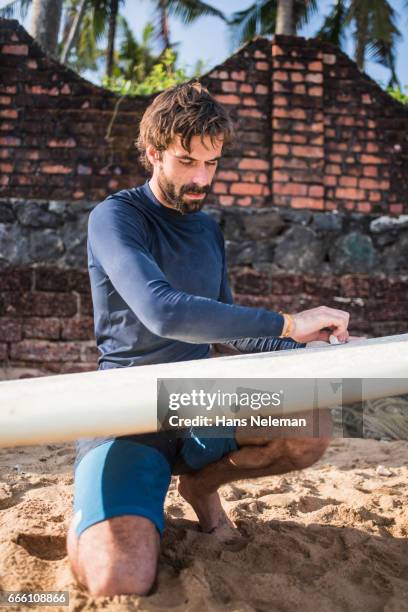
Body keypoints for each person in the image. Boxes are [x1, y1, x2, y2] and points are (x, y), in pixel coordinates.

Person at [67, 82, 354, 597]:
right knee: (119, 579)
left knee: (308, 423)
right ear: (152, 153)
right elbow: (162, 313)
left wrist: (311, 346)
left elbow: (234, 333)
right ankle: (101, 508)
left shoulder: (206, 230)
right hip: (129, 413)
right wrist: (288, 322)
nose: (202, 179)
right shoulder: (115, 218)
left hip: (200, 403)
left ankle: (201, 483)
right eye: (186, 162)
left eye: (212, 163)